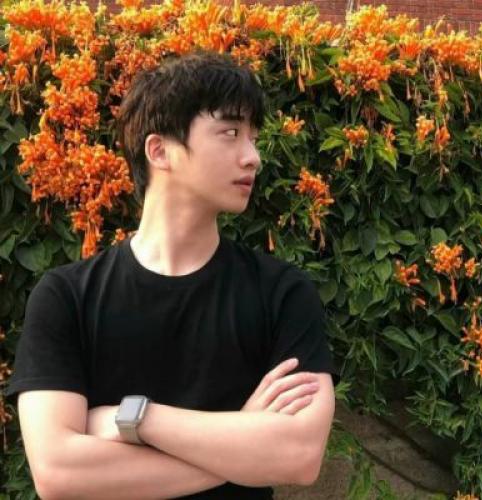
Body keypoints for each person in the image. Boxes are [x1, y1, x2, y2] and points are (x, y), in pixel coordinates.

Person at [5, 51, 335, 499]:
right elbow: (58, 474)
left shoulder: (282, 293)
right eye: (231, 133)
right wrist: (241, 438)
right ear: (159, 150)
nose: (253, 157)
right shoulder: (66, 296)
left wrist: (136, 419)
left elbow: (298, 456)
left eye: (253, 138)